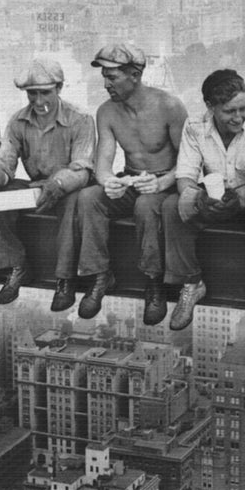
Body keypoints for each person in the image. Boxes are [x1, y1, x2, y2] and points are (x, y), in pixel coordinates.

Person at [72, 42, 189, 325]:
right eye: (104, 77)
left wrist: (162, 183)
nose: (106, 84)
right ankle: (100, 275)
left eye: (112, 77)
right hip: (131, 178)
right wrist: (109, 182)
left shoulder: (169, 106)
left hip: (166, 182)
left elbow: (188, 161)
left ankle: (154, 283)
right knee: (88, 198)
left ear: (134, 75)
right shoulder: (107, 112)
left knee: (146, 206)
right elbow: (103, 164)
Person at [0, 57, 96, 310]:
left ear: (59, 88)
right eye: (33, 94)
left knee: (73, 204)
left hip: (68, 186)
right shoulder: (18, 121)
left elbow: (82, 169)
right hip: (36, 187)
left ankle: (64, 279)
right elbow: (5, 162)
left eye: (45, 93)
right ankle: (17, 264)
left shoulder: (80, 119)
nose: (39, 101)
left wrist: (57, 184)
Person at [172, 68, 245, 341]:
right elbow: (185, 173)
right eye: (230, 111)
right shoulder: (195, 126)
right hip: (212, 198)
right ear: (210, 107)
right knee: (171, 208)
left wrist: (241, 199)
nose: (238, 117)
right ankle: (191, 282)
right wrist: (197, 198)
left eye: (242, 109)